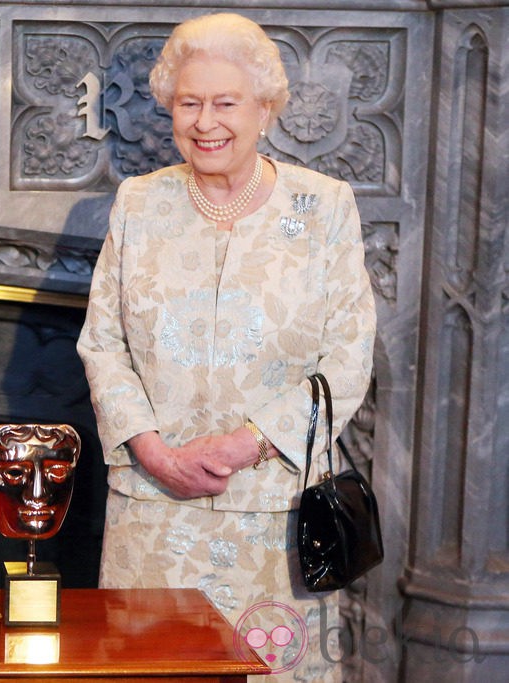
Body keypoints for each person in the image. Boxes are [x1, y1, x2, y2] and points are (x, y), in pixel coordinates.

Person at [75, 12, 375, 682]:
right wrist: (153, 450)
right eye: (189, 103)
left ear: (265, 108)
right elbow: (104, 342)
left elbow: (348, 356)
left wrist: (245, 444)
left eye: (225, 103)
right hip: (153, 512)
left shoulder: (323, 207)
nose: (206, 122)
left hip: (275, 519)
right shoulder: (138, 203)